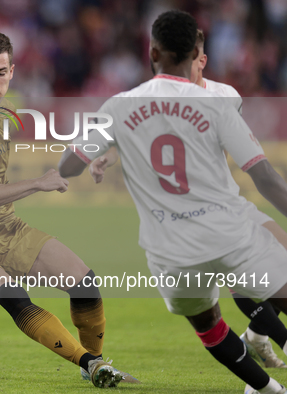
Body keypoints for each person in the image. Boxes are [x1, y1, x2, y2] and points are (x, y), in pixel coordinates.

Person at [59, 10, 287, 394]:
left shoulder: (119, 105)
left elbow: (68, 167)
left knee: (208, 326)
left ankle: (267, 390)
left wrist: (95, 148)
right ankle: (265, 346)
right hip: (227, 231)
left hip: (170, 249)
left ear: (153, 52)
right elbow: (263, 176)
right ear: (196, 53)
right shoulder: (216, 102)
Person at [0, 30, 135, 388]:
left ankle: (95, 362)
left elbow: (47, 150)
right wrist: (36, 184)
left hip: (2, 226)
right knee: (14, 295)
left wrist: (95, 157)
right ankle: (91, 365)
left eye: (0, 72)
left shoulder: (6, 111)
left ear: (12, 71)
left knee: (85, 284)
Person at [191, 28, 287, 369]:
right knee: (242, 277)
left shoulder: (225, 96)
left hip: (229, 203)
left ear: (201, 60)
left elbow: (256, 167)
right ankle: (277, 341)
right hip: (186, 218)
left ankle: (258, 337)